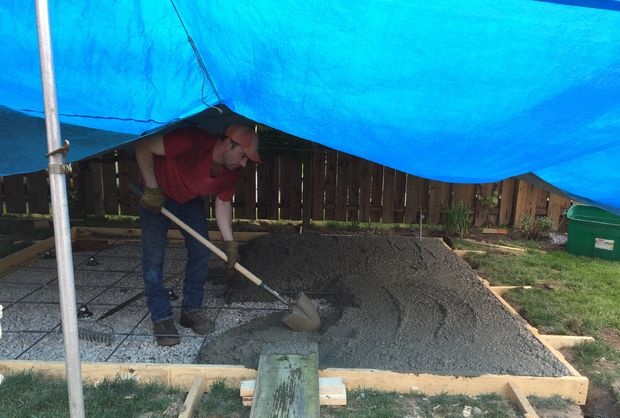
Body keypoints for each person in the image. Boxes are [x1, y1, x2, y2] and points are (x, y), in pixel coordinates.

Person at [134, 124, 261, 346]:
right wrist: (152, 189)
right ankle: (161, 317)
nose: (243, 163)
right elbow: (143, 145)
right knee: (153, 258)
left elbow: (223, 204)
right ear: (227, 143)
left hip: (188, 200)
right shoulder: (190, 141)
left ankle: (191, 311)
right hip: (158, 197)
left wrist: (230, 244)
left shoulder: (231, 171)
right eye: (242, 155)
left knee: (201, 251)